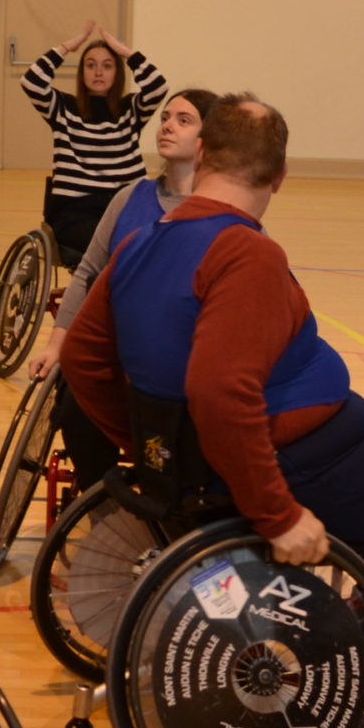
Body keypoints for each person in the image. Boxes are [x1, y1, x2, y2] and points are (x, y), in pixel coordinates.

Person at [62, 93, 364, 706]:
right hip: (299, 463)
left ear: (207, 154)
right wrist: (277, 514)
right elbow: (218, 390)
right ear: (279, 176)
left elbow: (81, 358)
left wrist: (151, 441)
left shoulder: (141, 241)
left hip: (296, 440)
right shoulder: (245, 252)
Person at [26, 88, 214, 483]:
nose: (167, 125)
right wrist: (56, 344)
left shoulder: (221, 214)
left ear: (207, 141)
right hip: (113, 356)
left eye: (183, 120)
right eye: (166, 117)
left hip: (182, 365)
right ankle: (103, 504)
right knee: (76, 406)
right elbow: (87, 272)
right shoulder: (131, 197)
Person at [20, 19, 169, 266]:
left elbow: (157, 87)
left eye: (107, 66)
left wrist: (126, 53)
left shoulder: (129, 110)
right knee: (115, 247)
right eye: (91, 65)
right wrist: (67, 47)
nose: (98, 72)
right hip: (76, 213)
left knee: (157, 243)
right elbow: (31, 81)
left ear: (117, 73)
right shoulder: (63, 108)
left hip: (125, 209)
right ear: (82, 73)